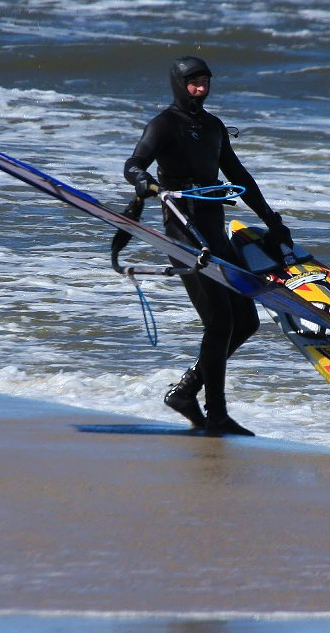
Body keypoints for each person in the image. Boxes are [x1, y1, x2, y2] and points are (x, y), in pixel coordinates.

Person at [124, 55, 292, 435]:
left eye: (205, 82)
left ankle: (186, 392)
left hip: (214, 233)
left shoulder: (214, 126)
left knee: (245, 321)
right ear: (178, 85)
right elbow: (134, 162)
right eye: (193, 83)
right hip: (185, 234)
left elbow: (239, 176)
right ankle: (215, 414)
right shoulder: (164, 124)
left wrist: (272, 220)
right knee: (219, 322)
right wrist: (141, 181)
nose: (200, 89)